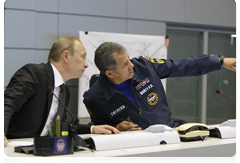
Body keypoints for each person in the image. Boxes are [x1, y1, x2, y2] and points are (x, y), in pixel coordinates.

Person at [83, 42, 238, 131]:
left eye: (129, 59)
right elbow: (99, 129)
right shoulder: (94, 98)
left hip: (170, 133)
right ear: (109, 73)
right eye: (125, 65)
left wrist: (220, 61)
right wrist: (116, 126)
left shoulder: (144, 67)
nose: (132, 65)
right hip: (136, 148)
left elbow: (180, 65)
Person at [4, 37, 120, 147]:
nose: (86, 64)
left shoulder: (64, 91)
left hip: (46, 149)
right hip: (15, 148)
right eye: (82, 57)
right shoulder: (34, 73)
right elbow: (7, 104)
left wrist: (92, 129)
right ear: (66, 56)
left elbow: (60, 126)